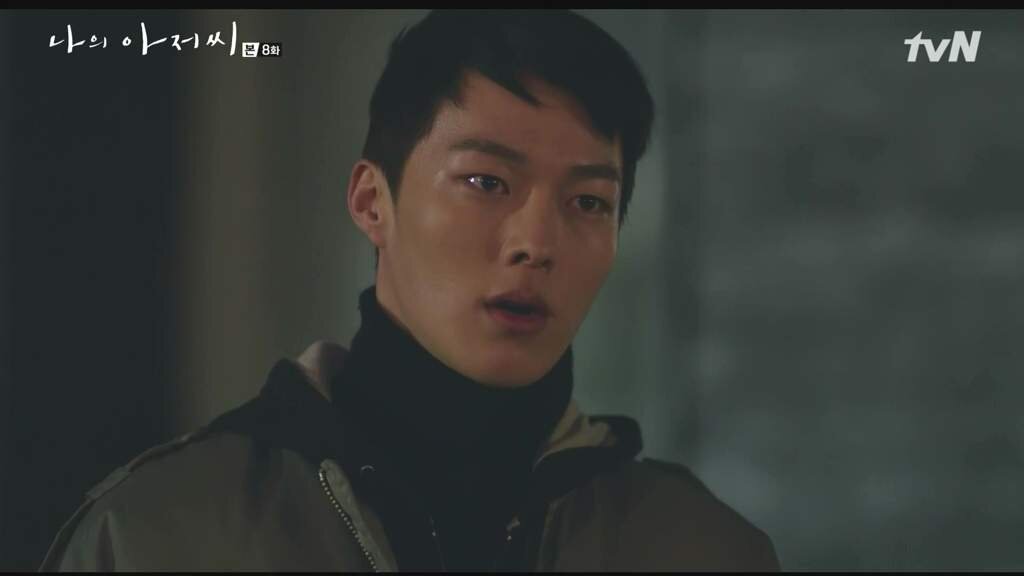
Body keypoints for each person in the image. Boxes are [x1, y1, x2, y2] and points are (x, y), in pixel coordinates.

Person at [41, 10, 780, 571]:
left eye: (588, 201)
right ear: (373, 202)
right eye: (485, 182)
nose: (536, 242)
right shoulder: (165, 536)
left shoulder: (697, 548)